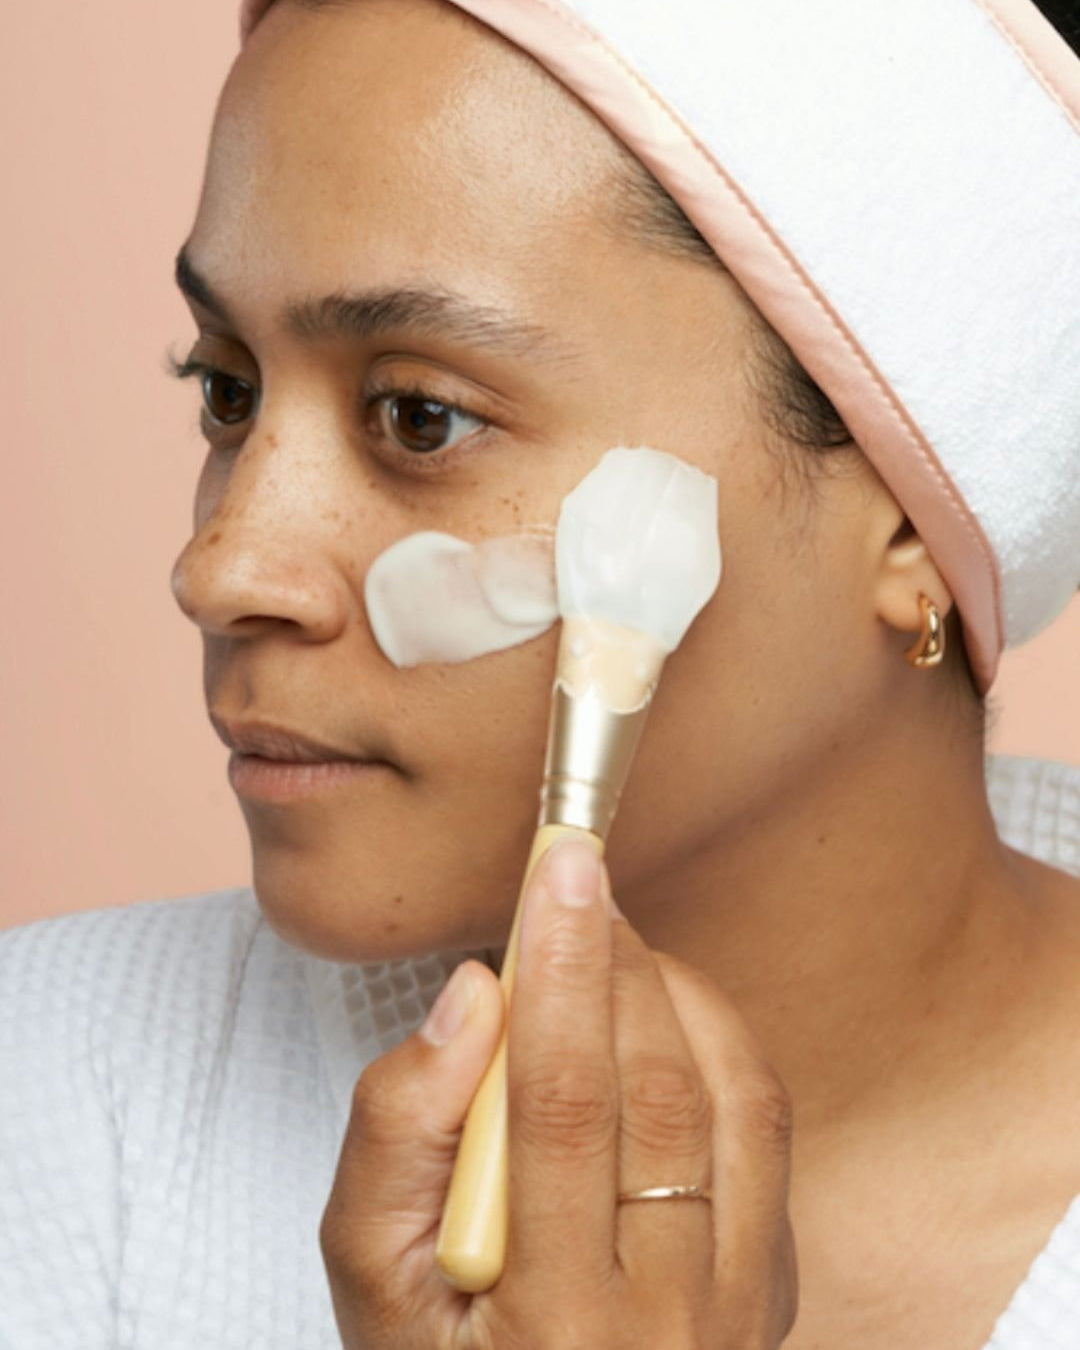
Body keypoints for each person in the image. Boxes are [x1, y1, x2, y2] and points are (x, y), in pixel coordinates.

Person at [2, 0, 1079, 1346]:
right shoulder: (54, 1104)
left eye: (419, 417)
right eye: (227, 389)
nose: (221, 569)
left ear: (917, 523)